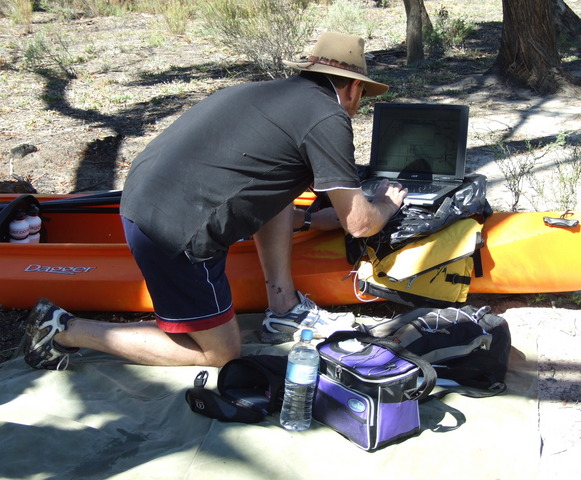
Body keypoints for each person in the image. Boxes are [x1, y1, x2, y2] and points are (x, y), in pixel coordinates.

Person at [22, 32, 408, 371]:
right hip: (179, 231)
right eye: (362, 96)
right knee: (220, 354)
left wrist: (311, 221)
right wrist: (386, 203)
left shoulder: (266, 94)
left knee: (281, 194)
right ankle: (64, 329)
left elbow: (269, 194)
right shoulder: (327, 115)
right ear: (354, 88)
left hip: (146, 200)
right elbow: (360, 223)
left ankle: (284, 308)